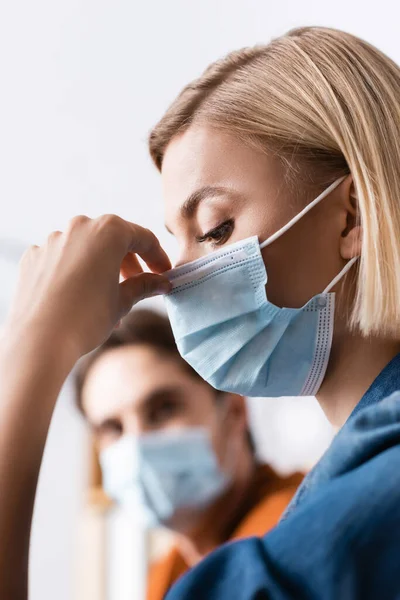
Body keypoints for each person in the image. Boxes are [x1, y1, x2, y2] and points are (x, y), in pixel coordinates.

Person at [3, 24, 400, 599]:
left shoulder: (366, 508)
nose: (176, 280)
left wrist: (33, 349)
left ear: (352, 215)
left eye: (215, 229)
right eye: (177, 239)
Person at [75, 308, 302, 600]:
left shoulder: (298, 528)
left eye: (163, 409)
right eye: (113, 428)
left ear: (234, 411)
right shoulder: (168, 574)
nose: (137, 444)